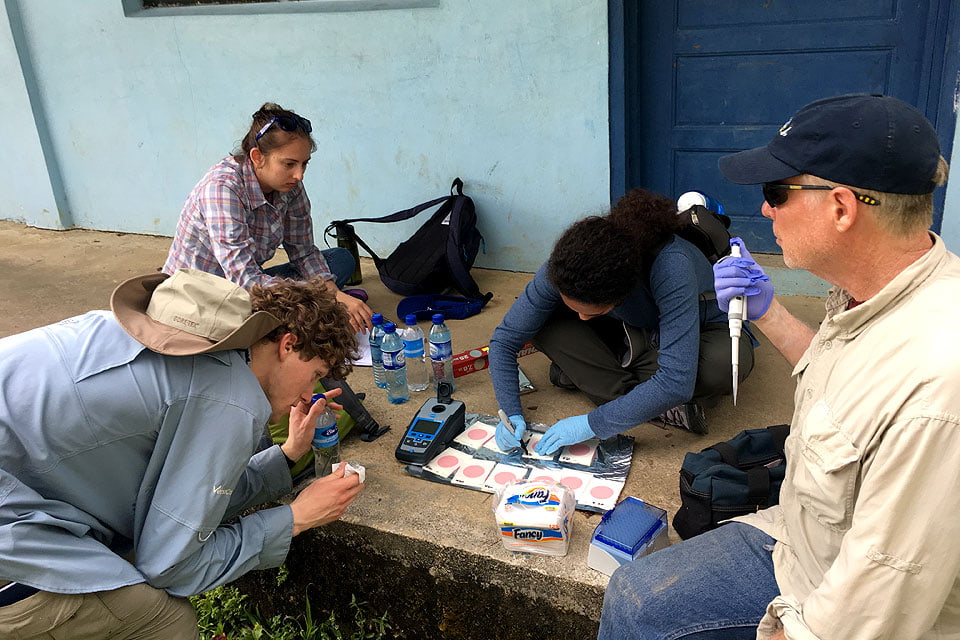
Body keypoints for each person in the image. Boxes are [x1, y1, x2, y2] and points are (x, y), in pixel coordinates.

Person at [598, 93, 960, 640]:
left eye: (777, 193)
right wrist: (768, 312)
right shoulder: (881, 291)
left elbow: (870, 608)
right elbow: (845, 381)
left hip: (826, 592)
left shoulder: (936, 385)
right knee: (633, 592)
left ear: (842, 207)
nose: (765, 211)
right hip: (798, 531)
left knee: (636, 609)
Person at [0, 268, 364, 639]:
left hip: (20, 488)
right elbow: (171, 565)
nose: (308, 394)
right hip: (10, 541)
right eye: (314, 373)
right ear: (287, 345)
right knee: (165, 620)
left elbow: (175, 503)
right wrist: (296, 518)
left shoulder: (144, 335)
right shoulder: (229, 398)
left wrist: (286, 456)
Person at [489, 188, 755, 455]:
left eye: (590, 312)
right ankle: (642, 397)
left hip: (700, 325)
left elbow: (675, 380)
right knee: (542, 322)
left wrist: (594, 423)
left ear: (622, 294)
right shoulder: (563, 266)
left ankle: (597, 377)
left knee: (717, 368)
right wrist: (510, 411)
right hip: (631, 327)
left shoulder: (673, 266)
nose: (581, 319)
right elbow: (505, 339)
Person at [163, 102, 373, 334]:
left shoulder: (290, 186)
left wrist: (333, 293)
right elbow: (244, 279)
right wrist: (324, 297)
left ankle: (297, 313)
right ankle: (289, 317)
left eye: (304, 164)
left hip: (247, 285)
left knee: (340, 260)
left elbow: (302, 251)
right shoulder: (222, 189)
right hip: (203, 299)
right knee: (306, 304)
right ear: (257, 157)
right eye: (289, 164)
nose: (299, 175)